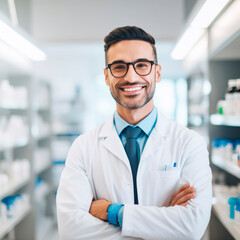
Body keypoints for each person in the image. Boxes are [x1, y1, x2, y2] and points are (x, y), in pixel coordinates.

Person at [56, 26, 212, 240]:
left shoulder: (189, 143)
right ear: (106, 75)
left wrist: (113, 212)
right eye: (119, 67)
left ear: (157, 72)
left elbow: (192, 227)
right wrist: (165, 222)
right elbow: (71, 230)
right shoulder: (83, 148)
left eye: (141, 65)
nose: (131, 77)